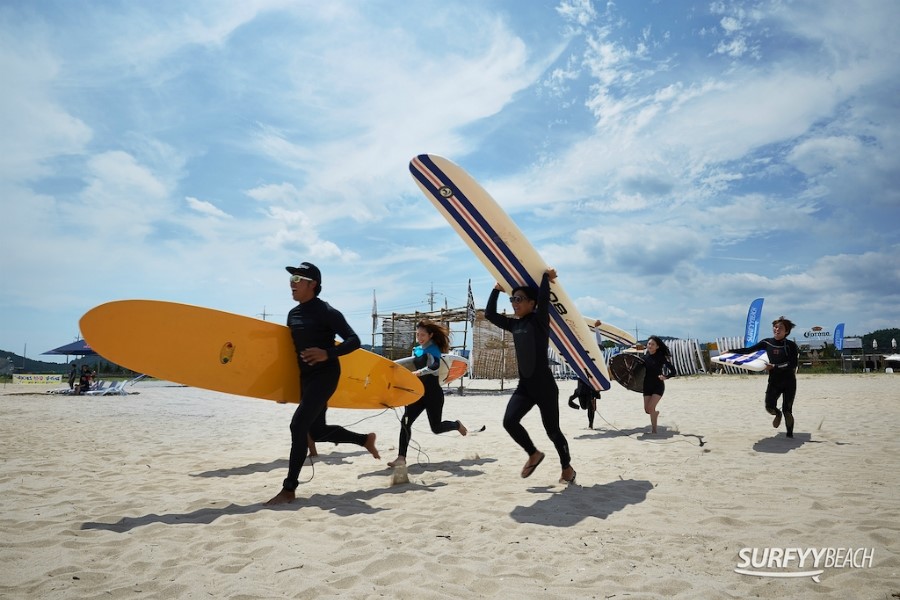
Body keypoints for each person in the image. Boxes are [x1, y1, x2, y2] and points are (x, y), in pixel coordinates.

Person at [265, 262, 378, 505]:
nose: (291, 283)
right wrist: (281, 387)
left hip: (326, 375)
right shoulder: (292, 314)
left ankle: (289, 489)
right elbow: (289, 354)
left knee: (298, 426)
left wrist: (327, 353)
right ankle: (364, 440)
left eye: (297, 279)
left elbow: (354, 340)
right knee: (315, 430)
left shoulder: (327, 312)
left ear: (312, 284)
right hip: (305, 377)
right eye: (291, 279)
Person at [485, 269, 576, 485]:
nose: (515, 303)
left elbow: (544, 299)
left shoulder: (539, 321)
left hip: (545, 387)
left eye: (519, 299)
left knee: (553, 431)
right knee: (509, 421)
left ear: (532, 303)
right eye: (513, 299)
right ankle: (533, 453)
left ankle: (567, 468)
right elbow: (489, 314)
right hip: (525, 386)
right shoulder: (514, 324)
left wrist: (545, 278)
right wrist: (495, 290)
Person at [387, 320, 468, 468]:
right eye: (418, 334)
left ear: (430, 335)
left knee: (436, 428)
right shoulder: (417, 350)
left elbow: (435, 365)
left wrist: (419, 372)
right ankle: (401, 458)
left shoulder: (434, 349)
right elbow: (408, 366)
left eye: (423, 334)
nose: (420, 337)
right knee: (405, 422)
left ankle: (456, 425)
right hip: (417, 394)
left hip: (433, 394)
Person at [729, 317, 799, 437]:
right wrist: (730, 351)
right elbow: (748, 350)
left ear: (786, 331)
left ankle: (789, 434)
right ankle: (777, 414)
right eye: (775, 327)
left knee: (787, 409)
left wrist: (775, 366)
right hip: (774, 381)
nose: (777, 329)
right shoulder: (767, 342)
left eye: (780, 328)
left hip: (789, 382)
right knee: (769, 407)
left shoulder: (791, 345)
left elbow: (793, 364)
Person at [642, 336, 676, 434]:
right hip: (647, 386)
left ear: (657, 347)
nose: (650, 346)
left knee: (651, 408)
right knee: (647, 410)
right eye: (649, 344)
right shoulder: (644, 358)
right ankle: (655, 414)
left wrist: (666, 376)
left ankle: (654, 431)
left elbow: (673, 371)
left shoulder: (660, 357)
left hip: (658, 385)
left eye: (653, 344)